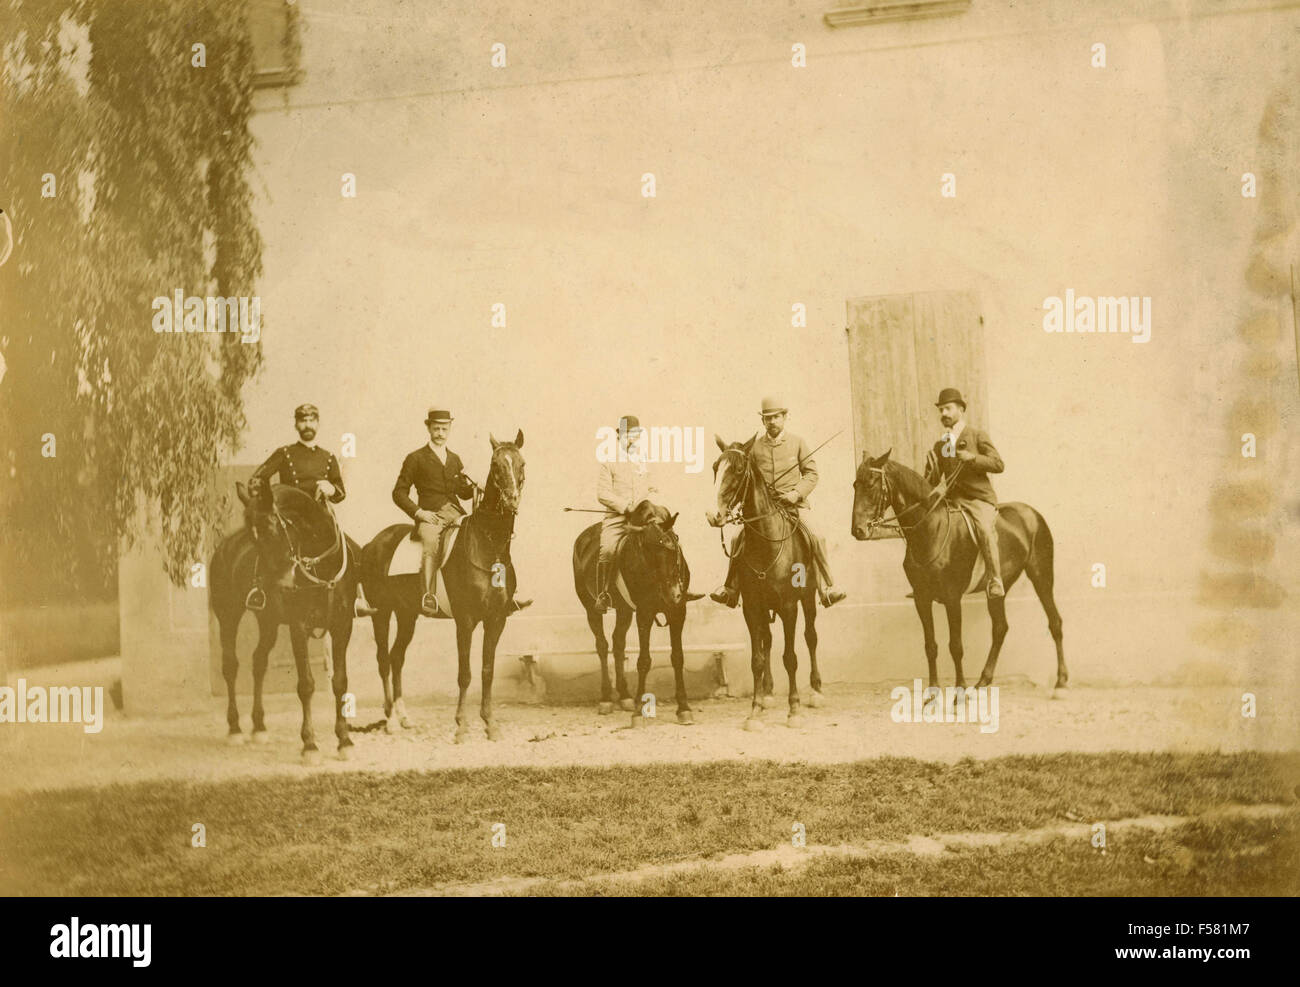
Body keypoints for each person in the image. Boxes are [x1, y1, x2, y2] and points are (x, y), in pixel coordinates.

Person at [710, 397, 846, 608]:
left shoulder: (798, 443)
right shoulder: (754, 448)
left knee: (817, 535)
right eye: (767, 418)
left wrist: (796, 493)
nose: (772, 422)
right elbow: (745, 478)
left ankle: (827, 587)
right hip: (764, 509)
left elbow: (812, 474)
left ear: (784, 417)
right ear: (763, 421)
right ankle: (730, 589)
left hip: (794, 506)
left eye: (776, 417)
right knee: (737, 537)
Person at [245, 404, 374, 615]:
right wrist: (265, 497)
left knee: (353, 550)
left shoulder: (329, 457)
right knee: (268, 545)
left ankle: (357, 598)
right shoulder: (284, 453)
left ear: (318, 424)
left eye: (311, 420)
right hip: (292, 520)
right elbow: (257, 478)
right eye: (303, 420)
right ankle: (258, 591)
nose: (307, 424)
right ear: (296, 424)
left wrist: (331, 488)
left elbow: (341, 493)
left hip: (322, 519)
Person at [924, 387, 1005, 598]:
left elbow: (998, 464)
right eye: (941, 410)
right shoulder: (943, 443)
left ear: (961, 409)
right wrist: (931, 469)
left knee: (985, 530)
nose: (944, 414)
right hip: (953, 500)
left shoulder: (977, 435)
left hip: (978, 499)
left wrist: (973, 458)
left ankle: (995, 579)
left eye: (948, 409)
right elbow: (935, 480)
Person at [594, 414, 656, 612]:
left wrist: (647, 504)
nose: (631, 438)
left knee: (668, 539)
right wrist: (625, 506)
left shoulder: (643, 461)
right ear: (619, 435)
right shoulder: (608, 462)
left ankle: (675, 587)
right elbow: (602, 493)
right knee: (607, 550)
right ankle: (603, 594)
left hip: (643, 518)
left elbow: (651, 488)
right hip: (617, 519)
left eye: (635, 434)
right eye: (627, 434)